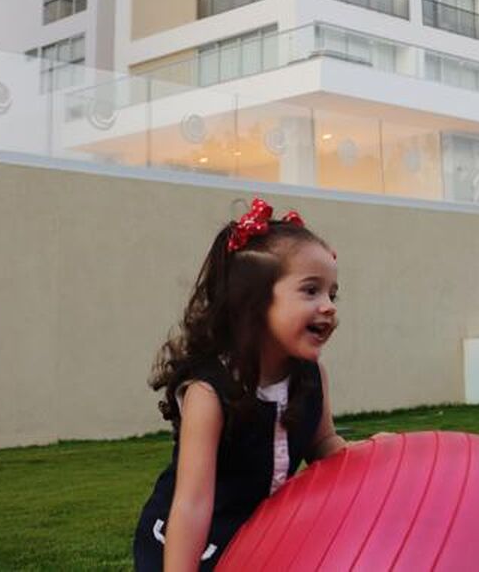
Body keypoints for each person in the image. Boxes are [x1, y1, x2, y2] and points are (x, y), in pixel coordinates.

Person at [133, 197, 344, 569]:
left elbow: (323, 444)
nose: (328, 305)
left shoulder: (312, 377)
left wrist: (371, 456)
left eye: (332, 293)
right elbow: (192, 504)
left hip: (259, 540)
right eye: (311, 290)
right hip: (192, 544)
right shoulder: (209, 392)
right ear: (255, 304)